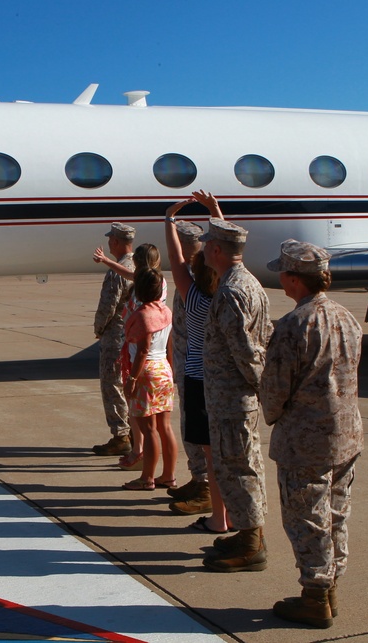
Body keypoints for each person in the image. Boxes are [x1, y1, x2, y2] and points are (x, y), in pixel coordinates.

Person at [261, 240, 364, 629]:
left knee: (307, 518)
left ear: (293, 279)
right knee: (336, 513)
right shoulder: (347, 318)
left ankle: (315, 595)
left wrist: (272, 415)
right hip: (345, 434)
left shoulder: (291, 327)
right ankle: (330, 586)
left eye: (283, 274)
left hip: (305, 440)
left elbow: (274, 392)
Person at [198, 203, 274, 572]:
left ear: (216, 250)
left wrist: (260, 389)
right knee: (240, 466)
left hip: (232, 398)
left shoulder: (230, 291)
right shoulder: (249, 283)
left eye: (205, 244)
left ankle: (251, 544)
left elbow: (244, 351)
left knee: (239, 468)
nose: (201, 250)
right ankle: (247, 533)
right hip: (234, 397)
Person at [164, 197, 226, 529]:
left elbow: (174, 258)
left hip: (198, 370)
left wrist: (168, 218)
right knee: (194, 430)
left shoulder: (197, 287)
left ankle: (206, 490)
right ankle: (199, 479)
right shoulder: (217, 284)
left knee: (202, 435)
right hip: (192, 365)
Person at [93, 242, 167, 469]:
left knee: (140, 418)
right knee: (159, 424)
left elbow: (143, 348)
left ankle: (140, 459)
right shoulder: (159, 283)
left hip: (142, 362)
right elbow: (128, 274)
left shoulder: (144, 309)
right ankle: (159, 468)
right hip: (160, 361)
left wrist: (132, 378)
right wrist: (107, 261)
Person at [121, 267, 176, 491]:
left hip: (147, 371)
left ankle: (147, 478)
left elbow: (143, 350)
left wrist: (132, 378)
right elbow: (170, 344)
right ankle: (169, 475)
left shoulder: (144, 314)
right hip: (163, 368)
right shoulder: (166, 311)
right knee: (165, 427)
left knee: (149, 429)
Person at [91, 223, 135, 456]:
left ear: (115, 242)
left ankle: (120, 435)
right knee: (128, 384)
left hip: (115, 335)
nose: (109, 243)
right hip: (133, 334)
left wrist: (98, 328)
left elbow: (108, 305)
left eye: (111, 240)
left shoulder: (117, 271)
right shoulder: (138, 265)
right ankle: (134, 431)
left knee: (112, 385)